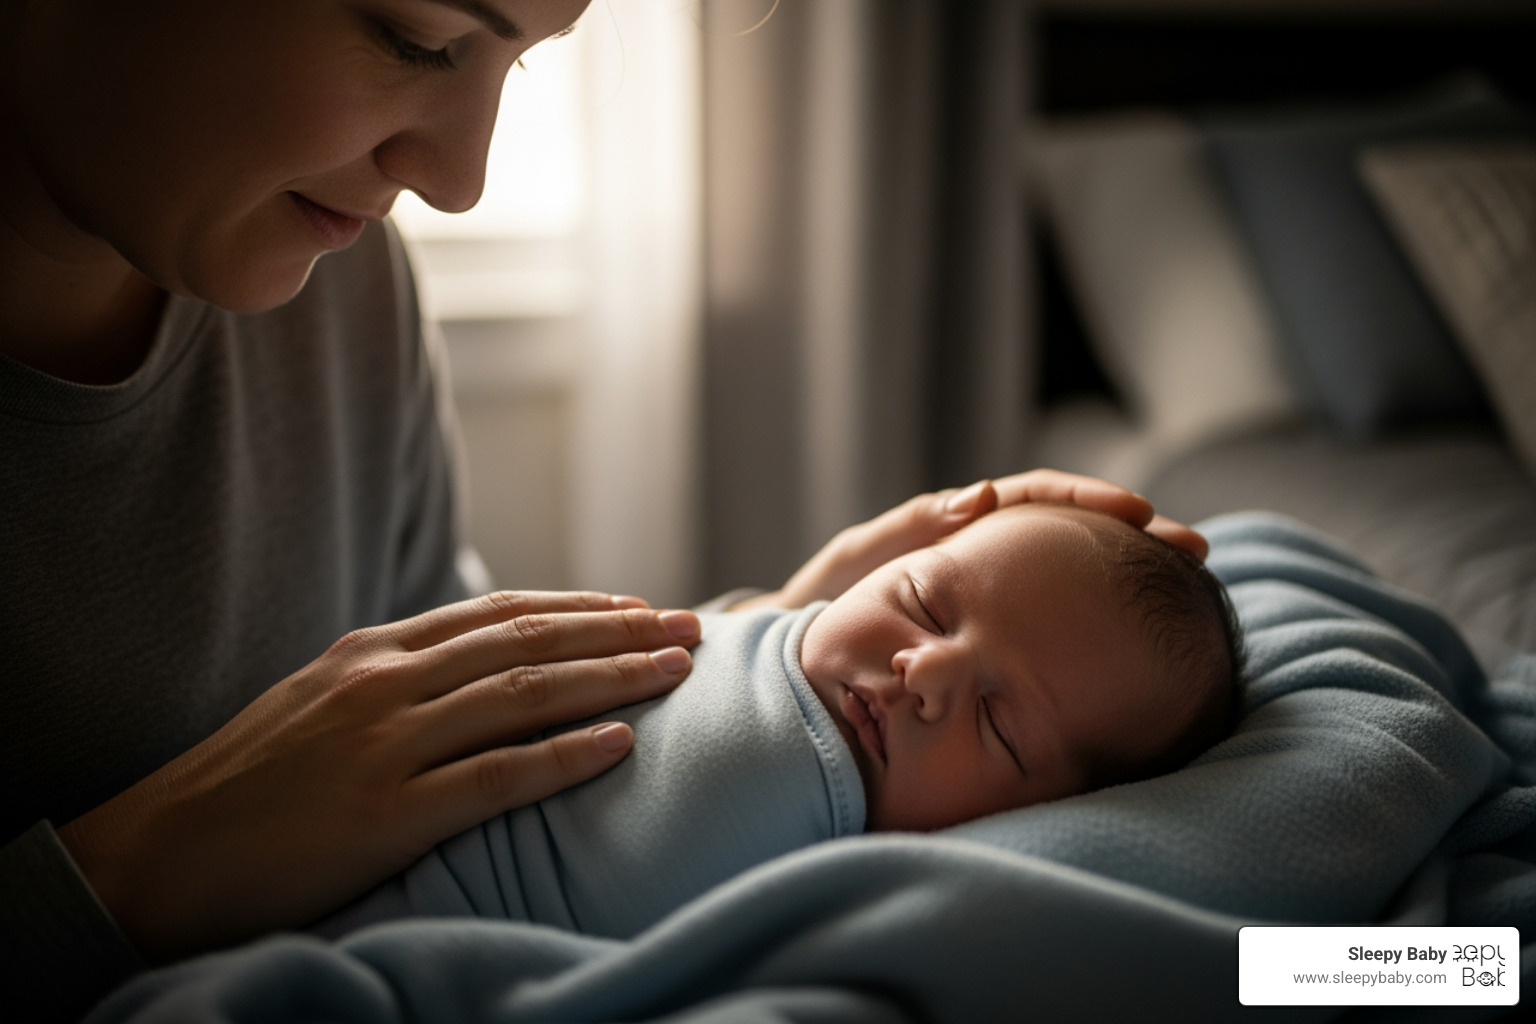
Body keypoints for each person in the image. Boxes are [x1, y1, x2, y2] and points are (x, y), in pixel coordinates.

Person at [0, 1, 1208, 1019]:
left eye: (519, 60)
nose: (460, 182)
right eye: (420, 39)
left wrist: (757, 639)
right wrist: (125, 882)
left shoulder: (337, 280)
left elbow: (472, 751)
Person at [311, 498, 1240, 942]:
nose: (924, 671)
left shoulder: (880, 862)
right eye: (921, 602)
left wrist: (1389, 972)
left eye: (999, 724)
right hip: (329, 833)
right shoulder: (785, 628)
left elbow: (1204, 958)